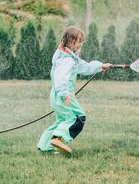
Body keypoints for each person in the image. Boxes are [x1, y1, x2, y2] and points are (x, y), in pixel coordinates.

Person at [37, 26, 112, 155]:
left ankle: (46, 146)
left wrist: (100, 66)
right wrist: (65, 95)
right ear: (71, 42)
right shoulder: (66, 60)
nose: (81, 44)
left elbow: (84, 66)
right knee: (77, 117)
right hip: (64, 95)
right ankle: (58, 139)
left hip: (56, 95)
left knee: (62, 121)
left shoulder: (66, 56)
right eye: (79, 41)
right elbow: (61, 78)